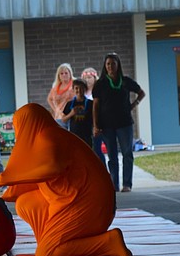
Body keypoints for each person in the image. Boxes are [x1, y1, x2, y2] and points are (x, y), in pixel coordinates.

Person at [0, 103, 132, 256]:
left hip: (89, 206)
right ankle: (52, 240)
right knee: (26, 203)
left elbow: (52, 168)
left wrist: (10, 177)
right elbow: (35, 179)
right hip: (69, 203)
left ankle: (108, 244)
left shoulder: (50, 136)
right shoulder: (43, 139)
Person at [93, 52, 145, 192]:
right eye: (108, 64)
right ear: (105, 66)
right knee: (112, 155)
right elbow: (96, 105)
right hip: (106, 124)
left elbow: (141, 92)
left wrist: (134, 104)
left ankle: (127, 184)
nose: (111, 66)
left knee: (127, 153)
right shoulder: (100, 84)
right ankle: (114, 185)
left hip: (124, 123)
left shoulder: (126, 81)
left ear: (118, 65)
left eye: (113, 63)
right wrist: (96, 124)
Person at [80, 67, 105, 163]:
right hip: (85, 124)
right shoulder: (81, 93)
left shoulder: (98, 91)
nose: (87, 80)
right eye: (85, 78)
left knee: (97, 149)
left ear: (95, 78)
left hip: (96, 123)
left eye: (90, 77)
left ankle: (103, 170)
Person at [62, 79, 94, 147]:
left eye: (81, 88)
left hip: (87, 135)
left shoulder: (90, 103)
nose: (79, 90)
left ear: (85, 89)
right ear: (73, 89)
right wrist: (71, 113)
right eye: (76, 88)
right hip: (74, 135)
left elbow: (95, 118)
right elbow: (63, 119)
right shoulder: (70, 104)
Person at [47, 63, 75, 128]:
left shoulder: (74, 84)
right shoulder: (56, 86)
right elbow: (49, 99)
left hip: (71, 116)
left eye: (66, 73)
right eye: (61, 73)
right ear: (58, 75)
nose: (64, 75)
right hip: (58, 116)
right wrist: (55, 109)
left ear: (70, 74)